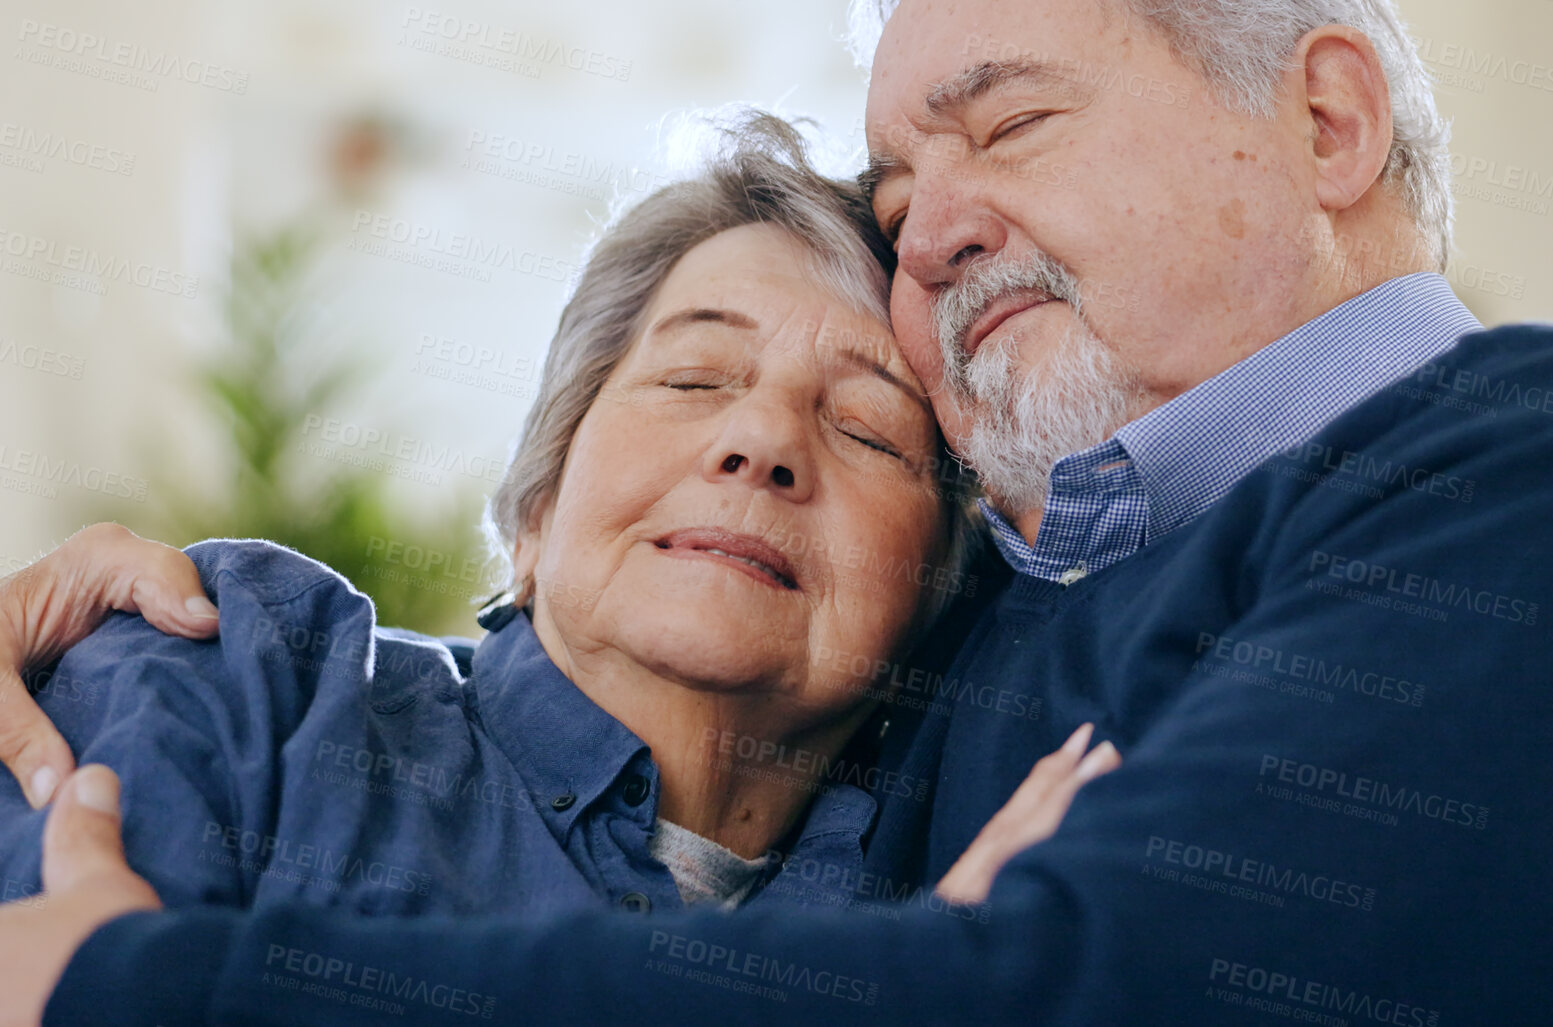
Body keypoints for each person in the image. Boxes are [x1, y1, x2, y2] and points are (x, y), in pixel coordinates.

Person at [3, 0, 1553, 1023]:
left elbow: (1098, 997)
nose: (926, 220)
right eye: (899, 175)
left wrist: (134, 992)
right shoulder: (1008, 592)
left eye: (1005, 121)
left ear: (1326, 124)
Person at [0, 111, 1118, 974]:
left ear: (939, 591)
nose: (762, 439)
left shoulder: (999, 845)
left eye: (866, 425)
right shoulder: (245, 666)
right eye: (692, 377)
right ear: (537, 505)